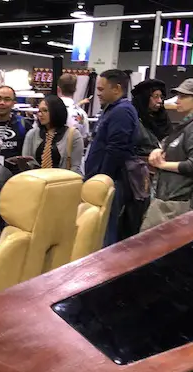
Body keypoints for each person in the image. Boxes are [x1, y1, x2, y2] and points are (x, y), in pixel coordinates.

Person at [85, 69, 138, 246]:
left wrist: (103, 178)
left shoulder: (122, 112)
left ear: (116, 89)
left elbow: (116, 149)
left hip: (111, 182)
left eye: (101, 89)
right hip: (104, 180)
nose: (98, 94)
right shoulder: (112, 109)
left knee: (105, 231)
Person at [141, 79, 193, 231]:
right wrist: (160, 149)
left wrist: (162, 164)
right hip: (169, 200)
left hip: (178, 203)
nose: (177, 100)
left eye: (183, 96)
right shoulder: (187, 125)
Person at [22, 94, 84, 175]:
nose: (40, 114)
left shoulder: (73, 135)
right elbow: (26, 163)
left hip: (64, 180)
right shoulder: (32, 134)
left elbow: (75, 166)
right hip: (37, 180)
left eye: (45, 110)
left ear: (56, 111)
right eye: (39, 111)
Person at [57, 73, 90, 144]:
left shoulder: (47, 110)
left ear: (58, 89)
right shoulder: (82, 114)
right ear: (75, 90)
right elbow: (84, 138)